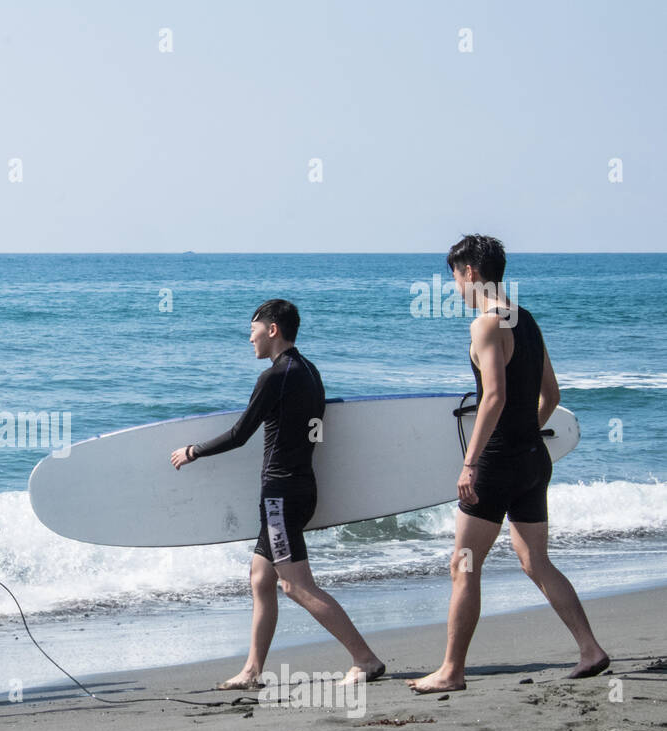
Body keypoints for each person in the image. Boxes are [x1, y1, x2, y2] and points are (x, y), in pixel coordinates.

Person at [407, 236, 610, 693]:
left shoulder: (486, 324)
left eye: (455, 277)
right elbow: (551, 397)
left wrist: (470, 463)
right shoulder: (526, 318)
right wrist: (524, 438)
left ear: (472, 273)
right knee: (536, 560)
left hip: (497, 464)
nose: (455, 287)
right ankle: (590, 649)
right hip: (533, 459)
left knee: (464, 566)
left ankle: (451, 671)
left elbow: (494, 396)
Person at [170, 299, 385, 689]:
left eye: (253, 328)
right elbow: (313, 430)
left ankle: (365, 658)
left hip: (280, 496)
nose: (248, 337)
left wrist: (193, 451)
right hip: (300, 486)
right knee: (260, 577)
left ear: (272, 330)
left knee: (295, 585)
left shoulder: (275, 376)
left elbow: (240, 434)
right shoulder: (309, 371)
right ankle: (252, 672)